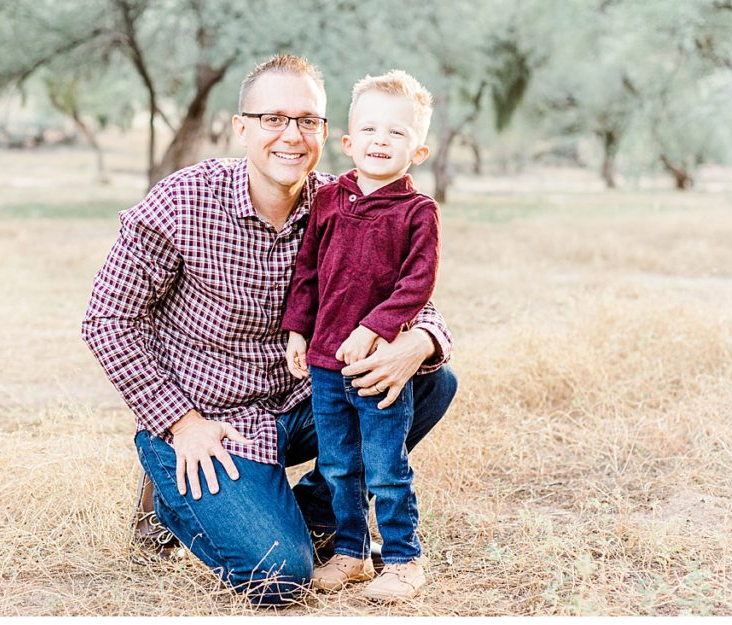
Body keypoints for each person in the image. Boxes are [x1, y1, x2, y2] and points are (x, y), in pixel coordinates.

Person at [81, 54, 457, 606]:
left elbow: (414, 297)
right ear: (241, 128)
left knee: (430, 381)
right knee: (278, 577)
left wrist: (419, 342)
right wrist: (182, 424)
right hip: (214, 422)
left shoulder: (343, 201)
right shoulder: (183, 202)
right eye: (272, 119)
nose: (291, 136)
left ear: (328, 134)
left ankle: (306, 513)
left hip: (308, 402)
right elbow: (108, 320)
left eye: (308, 121)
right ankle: (171, 490)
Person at [281, 70, 438, 602]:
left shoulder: (417, 212)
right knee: (338, 466)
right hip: (325, 364)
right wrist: (298, 330)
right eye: (369, 130)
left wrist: (376, 329)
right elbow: (307, 271)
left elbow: (418, 284)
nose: (380, 141)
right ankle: (351, 554)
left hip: (376, 368)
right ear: (348, 142)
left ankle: (403, 560)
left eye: (396, 133)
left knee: (385, 465)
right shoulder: (328, 201)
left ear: (417, 151)